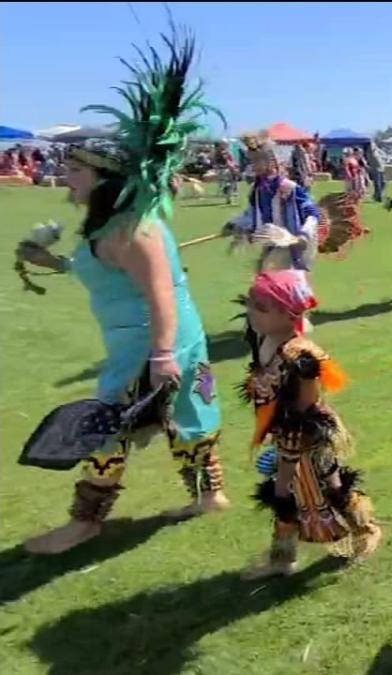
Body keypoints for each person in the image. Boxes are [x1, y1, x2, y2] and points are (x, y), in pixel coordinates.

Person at [15, 29, 228, 555]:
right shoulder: (107, 226)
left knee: (107, 423)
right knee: (184, 416)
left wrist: (160, 356)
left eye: (74, 169)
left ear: (105, 175)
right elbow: (108, 276)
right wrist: (53, 262)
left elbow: (157, 292)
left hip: (155, 339)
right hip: (148, 336)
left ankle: (85, 521)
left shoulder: (135, 229)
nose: (64, 177)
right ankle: (209, 496)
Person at [241, 270, 382, 579]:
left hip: (304, 439)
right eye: (250, 303)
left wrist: (292, 449)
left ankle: (364, 530)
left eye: (260, 307)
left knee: (312, 488)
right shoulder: (263, 339)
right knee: (292, 493)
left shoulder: (301, 356)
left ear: (286, 314)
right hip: (283, 436)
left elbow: (306, 406)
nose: (250, 311)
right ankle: (284, 558)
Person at [225, 135, 322, 282]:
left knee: (279, 290)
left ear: (272, 161)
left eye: (258, 160)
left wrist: (303, 235)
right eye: (252, 160)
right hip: (270, 246)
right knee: (268, 289)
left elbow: (312, 213)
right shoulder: (257, 190)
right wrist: (234, 225)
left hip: (290, 247)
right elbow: (252, 214)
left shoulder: (288, 188)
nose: (254, 165)